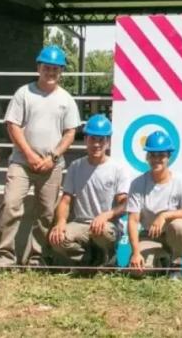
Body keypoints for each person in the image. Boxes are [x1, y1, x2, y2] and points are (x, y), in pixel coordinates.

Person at [0, 45, 81, 268]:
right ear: (38, 67)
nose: (51, 73)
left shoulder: (66, 99)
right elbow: (12, 125)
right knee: (10, 205)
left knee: (46, 213)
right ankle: (4, 257)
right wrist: (29, 155)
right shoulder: (24, 93)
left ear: (61, 72)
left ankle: (36, 258)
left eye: (55, 69)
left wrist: (53, 157)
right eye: (47, 68)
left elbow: (70, 133)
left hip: (52, 165)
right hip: (22, 163)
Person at [48, 114, 130, 268]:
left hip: (107, 225)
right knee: (57, 239)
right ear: (85, 140)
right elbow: (66, 200)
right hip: (81, 223)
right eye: (93, 139)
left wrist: (107, 215)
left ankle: (109, 261)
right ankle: (89, 260)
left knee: (102, 231)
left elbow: (124, 204)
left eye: (101, 139)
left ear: (108, 142)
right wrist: (60, 222)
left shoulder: (118, 169)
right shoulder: (75, 166)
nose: (97, 144)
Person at [127, 130, 182, 278]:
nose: (156, 159)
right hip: (150, 236)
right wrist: (136, 252)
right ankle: (162, 261)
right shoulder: (138, 183)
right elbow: (133, 220)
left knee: (178, 225)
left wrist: (164, 215)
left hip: (175, 236)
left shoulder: (181, 181)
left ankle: (176, 265)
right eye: (152, 155)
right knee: (137, 272)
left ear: (168, 157)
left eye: (161, 155)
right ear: (147, 157)